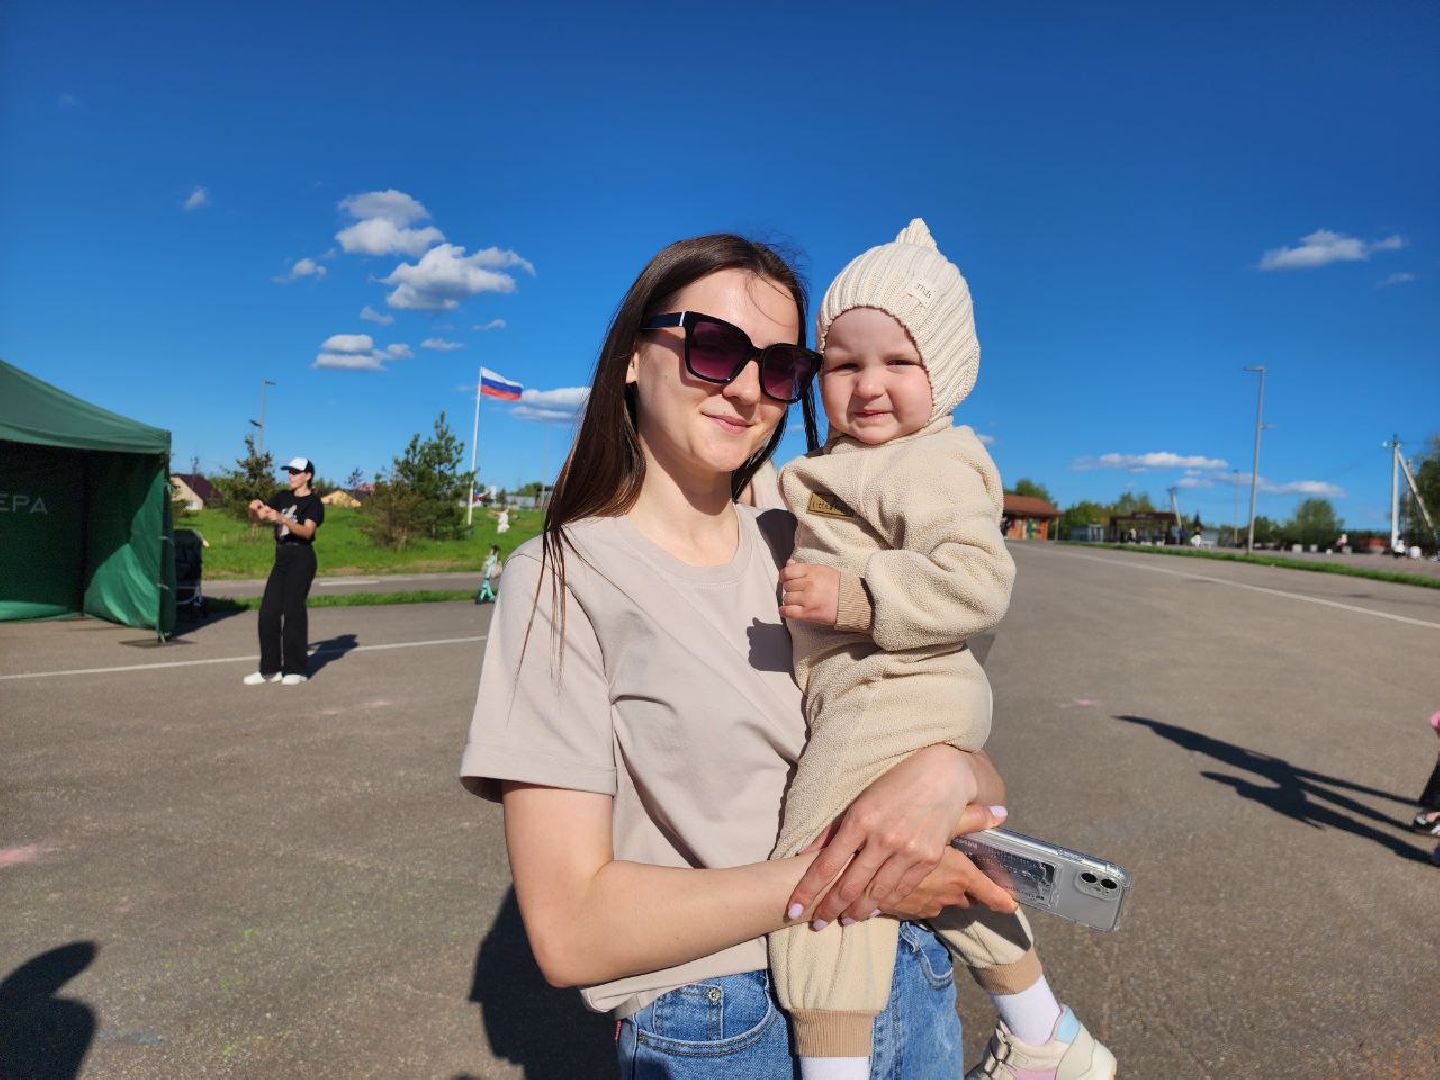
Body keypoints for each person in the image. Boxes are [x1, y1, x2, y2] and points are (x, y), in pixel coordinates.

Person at [460, 234, 1018, 1077]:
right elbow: (570, 931)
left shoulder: (818, 552)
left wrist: (947, 775)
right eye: (714, 347)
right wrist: (853, 876)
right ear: (630, 359)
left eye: (782, 365)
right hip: (725, 1019)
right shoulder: (564, 577)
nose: (749, 388)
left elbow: (962, 752)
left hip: (906, 976)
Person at [772, 220, 1113, 1080]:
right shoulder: (864, 463)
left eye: (899, 362)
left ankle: (834, 1066)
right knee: (925, 857)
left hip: (899, 687)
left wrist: (854, 597)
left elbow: (977, 582)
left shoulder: (928, 465)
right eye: (845, 365)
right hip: (902, 689)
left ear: (947, 373)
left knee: (822, 874)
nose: (869, 386)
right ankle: (1042, 1030)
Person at [243, 457, 324, 686]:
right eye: (289, 471)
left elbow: (307, 532)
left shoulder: (314, 502)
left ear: (308, 475)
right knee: (268, 612)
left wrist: (282, 519)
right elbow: (258, 519)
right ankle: (269, 670)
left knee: (293, 613)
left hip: (302, 557)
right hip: (282, 558)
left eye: (296, 472)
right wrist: (255, 508)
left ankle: (295, 670)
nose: (291, 476)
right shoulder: (282, 496)